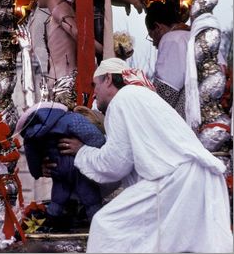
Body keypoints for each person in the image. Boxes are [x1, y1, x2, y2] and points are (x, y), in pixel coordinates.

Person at [60, 57, 233, 253]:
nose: (94, 93)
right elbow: (127, 165)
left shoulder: (122, 100)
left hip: (177, 182)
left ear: (108, 79)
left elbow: (116, 164)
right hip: (189, 181)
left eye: (95, 84)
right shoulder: (137, 96)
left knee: (106, 225)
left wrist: (81, 151)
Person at [15, 102, 105, 230]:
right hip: (78, 167)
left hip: (57, 168)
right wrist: (93, 147)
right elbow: (95, 137)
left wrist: (37, 170)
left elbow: (31, 152)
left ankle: (52, 221)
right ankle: (98, 225)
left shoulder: (31, 131)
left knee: (58, 197)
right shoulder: (69, 118)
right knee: (90, 197)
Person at [32, 0, 103, 110]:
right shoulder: (56, 13)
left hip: (66, 87)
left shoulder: (60, 10)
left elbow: (79, 36)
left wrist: (104, 50)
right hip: (59, 85)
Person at [145, 1, 190, 118]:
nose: (154, 43)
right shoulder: (196, 35)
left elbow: (166, 91)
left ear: (158, 27)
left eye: (152, 36)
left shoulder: (171, 39)